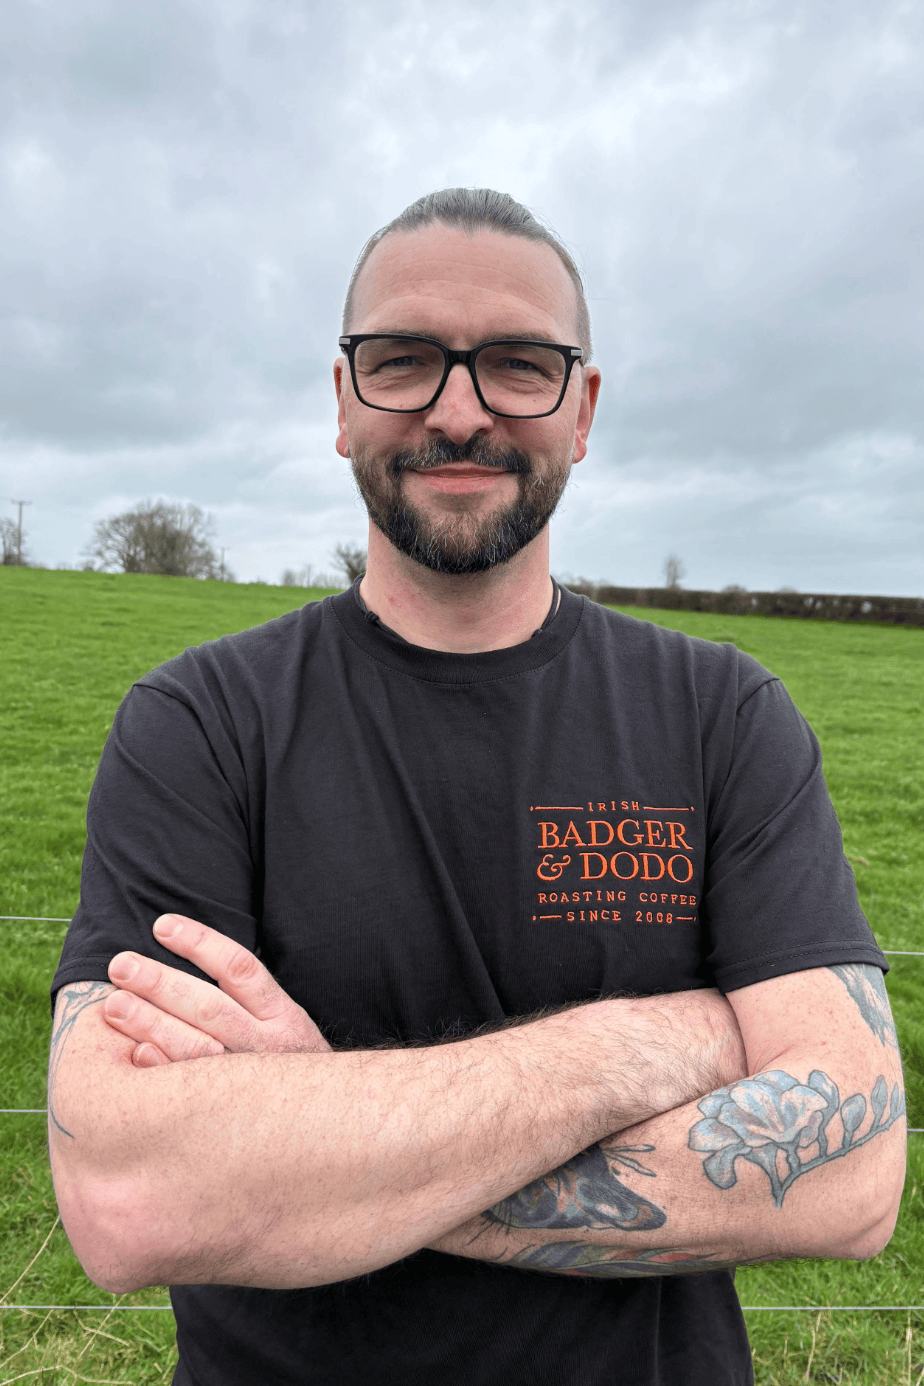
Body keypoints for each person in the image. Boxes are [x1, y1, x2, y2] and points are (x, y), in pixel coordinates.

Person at [49, 188, 905, 1386]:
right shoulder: (198, 727)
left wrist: (319, 1140)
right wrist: (645, 1044)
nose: (461, 410)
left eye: (518, 364)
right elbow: (128, 1194)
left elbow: (849, 1174)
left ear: (584, 407)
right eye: (403, 361)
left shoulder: (724, 717)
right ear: (342, 403)